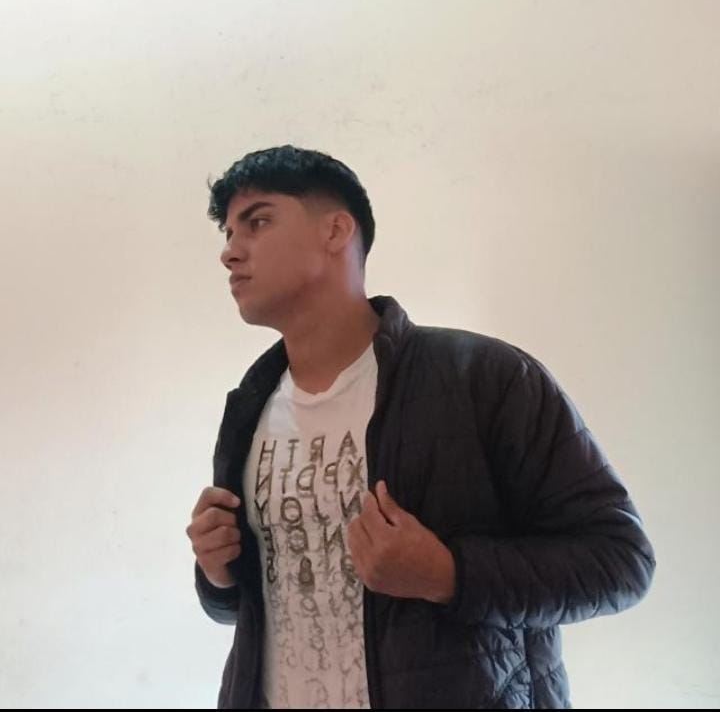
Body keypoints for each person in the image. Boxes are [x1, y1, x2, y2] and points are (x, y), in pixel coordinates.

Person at [186, 145, 655, 709]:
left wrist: (448, 574)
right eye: (228, 233)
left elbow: (621, 561)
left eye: (257, 222)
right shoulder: (251, 407)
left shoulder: (484, 377)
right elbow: (263, 605)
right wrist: (218, 574)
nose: (230, 252)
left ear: (336, 230)